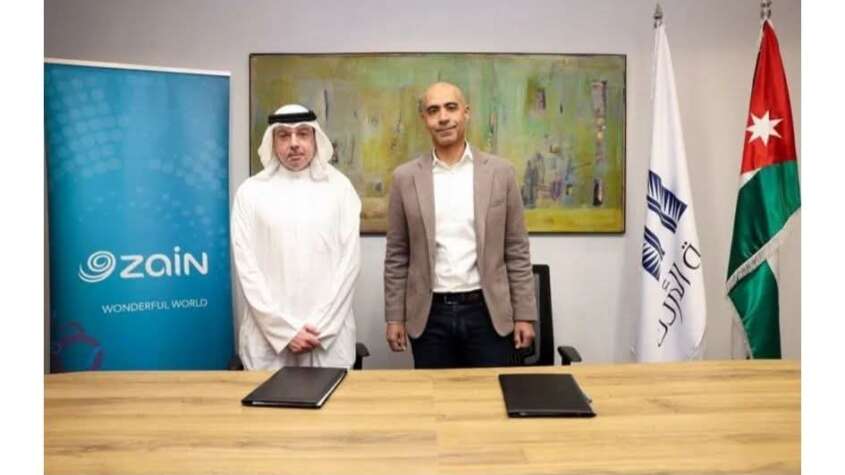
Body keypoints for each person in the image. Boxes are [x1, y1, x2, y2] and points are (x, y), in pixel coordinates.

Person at [384, 82, 537, 368]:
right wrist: (394, 317)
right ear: (425, 119)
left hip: (488, 313)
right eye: (433, 111)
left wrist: (525, 315)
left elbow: (516, 249)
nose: (443, 117)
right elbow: (397, 255)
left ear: (466, 113)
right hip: (429, 317)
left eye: (451, 108)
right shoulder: (405, 178)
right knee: (435, 395)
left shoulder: (501, 173)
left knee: (490, 394)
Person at [231, 104, 361, 370]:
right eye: (284, 135)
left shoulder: (341, 189)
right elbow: (247, 269)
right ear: (272, 141)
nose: (294, 143)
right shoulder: (250, 192)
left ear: (315, 138)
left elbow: (349, 265)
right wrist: (284, 333)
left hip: (327, 339)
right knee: (267, 399)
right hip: (267, 343)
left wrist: (320, 329)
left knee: (331, 398)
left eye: (302, 133)